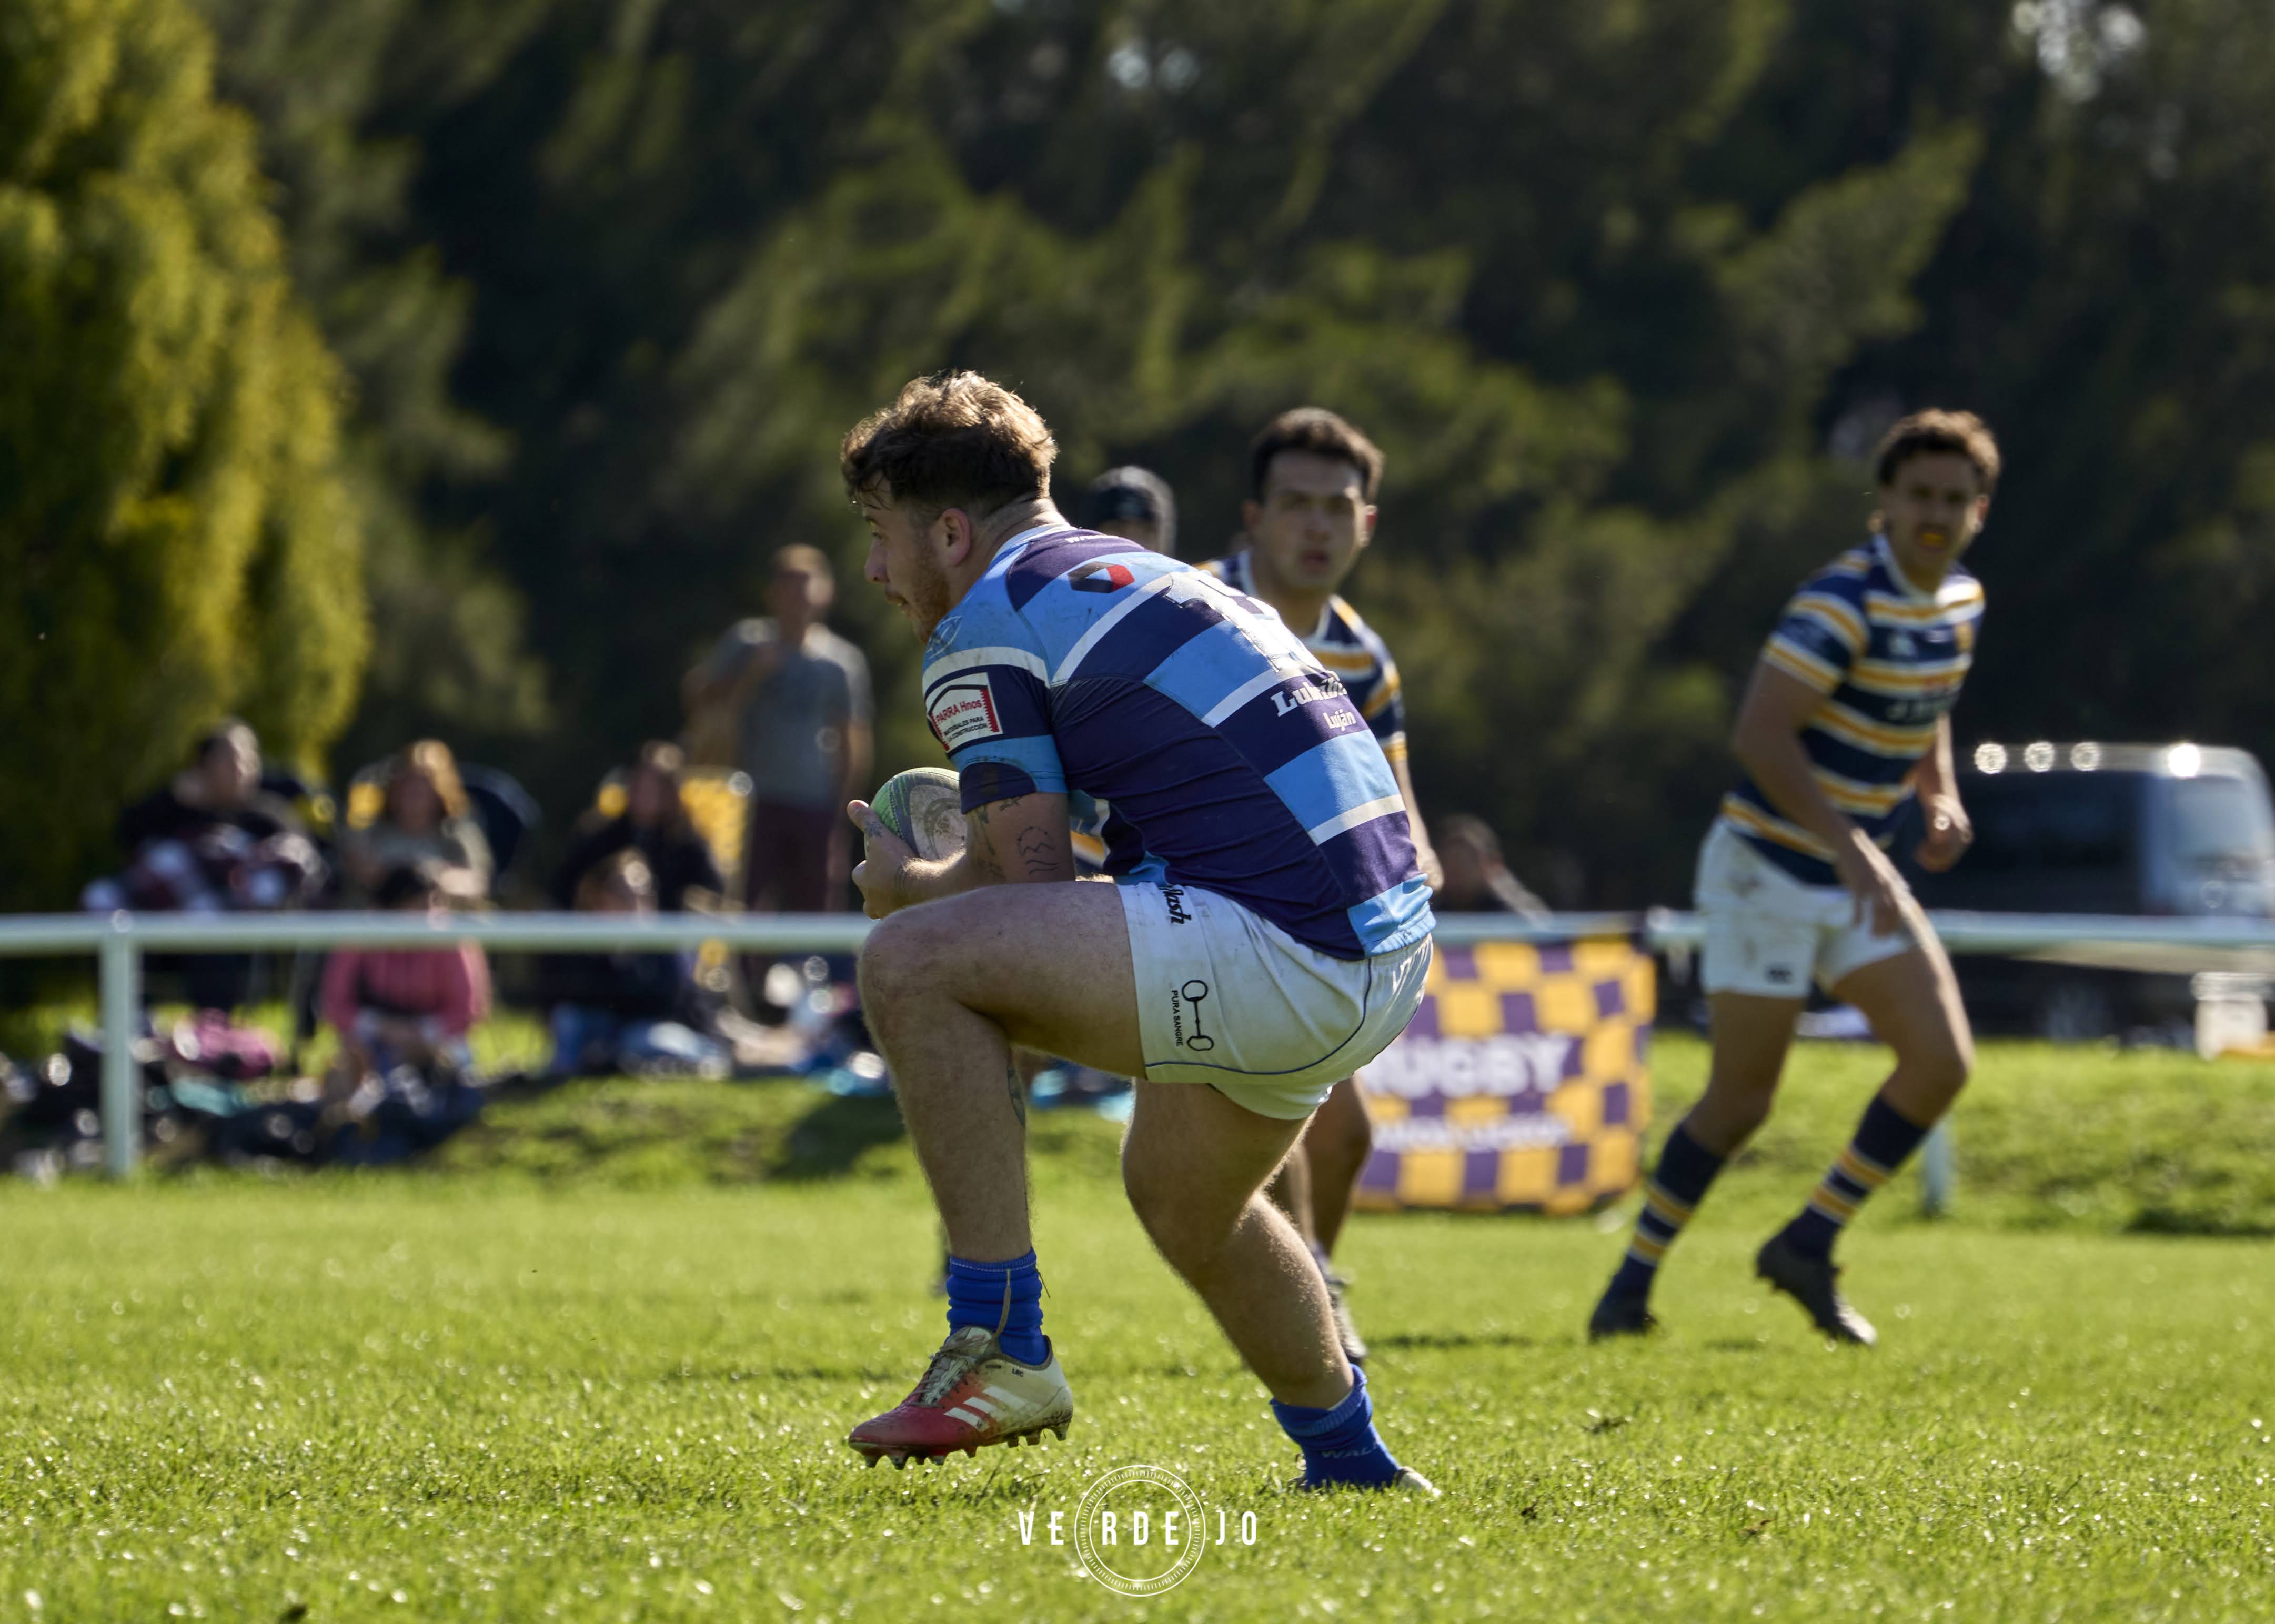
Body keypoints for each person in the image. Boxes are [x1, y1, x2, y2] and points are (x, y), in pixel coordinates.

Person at [838, 371, 1436, 1492]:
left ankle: (1000, 1344)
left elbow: (1025, 882)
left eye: (881, 535)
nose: (875, 569)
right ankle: (1353, 1462)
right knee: (1183, 1192)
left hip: (1281, 936)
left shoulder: (982, 621)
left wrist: (911, 892)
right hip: (1384, 944)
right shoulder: (1143, 572)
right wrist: (951, 879)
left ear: (952, 531)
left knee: (907, 967)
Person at [1589, 410, 1996, 1347]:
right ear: (1883, 504)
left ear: (1977, 510)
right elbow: (1759, 735)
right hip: (1764, 869)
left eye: (1953, 498)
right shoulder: (1837, 603)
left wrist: (1937, 797)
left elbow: (1926, 708)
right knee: (1741, 1100)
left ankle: (1807, 1239)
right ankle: (1629, 1281)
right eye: (1918, 496)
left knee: (1940, 1061)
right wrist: (1854, 848)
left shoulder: (1959, 603)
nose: (1934, 514)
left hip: (1855, 872)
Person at [1203, 407, 1441, 1365]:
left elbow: (1394, 800)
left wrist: (1414, 863)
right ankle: (979, 1292)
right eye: (1294, 505)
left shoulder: (1363, 656)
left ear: (1366, 525)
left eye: (1335, 508)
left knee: (1338, 1139)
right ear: (1252, 519)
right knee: (1295, 1134)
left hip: (1294, 924)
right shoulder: (1193, 609)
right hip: (1164, 902)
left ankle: (1312, 1290)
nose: (1315, 528)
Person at [683, 545, 873, 913]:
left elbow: (854, 742)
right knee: (742, 902)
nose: (796, 598)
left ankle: (811, 972)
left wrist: (840, 820)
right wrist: (750, 673)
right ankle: (746, 973)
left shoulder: (841, 663)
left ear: (825, 592)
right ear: (772, 593)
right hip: (748, 796)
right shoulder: (747, 641)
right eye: (787, 586)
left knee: (814, 906)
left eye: (805, 586)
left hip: (812, 799)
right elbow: (697, 700)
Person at [540, 851, 728, 1078]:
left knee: (645, 1037)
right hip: (602, 1031)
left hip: (648, 1032)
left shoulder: (665, 946)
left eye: (643, 892)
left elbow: (670, 1004)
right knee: (569, 1020)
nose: (635, 903)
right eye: (622, 893)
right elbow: (570, 997)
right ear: (598, 898)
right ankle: (560, 1078)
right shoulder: (581, 944)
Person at [320, 862, 492, 1087]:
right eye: (418, 905)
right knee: (345, 1068)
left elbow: (467, 1008)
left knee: (453, 1067)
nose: (428, 914)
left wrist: (423, 1034)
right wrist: (380, 1028)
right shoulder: (360, 935)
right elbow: (335, 1003)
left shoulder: (451, 938)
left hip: (436, 1037)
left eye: (432, 903)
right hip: (372, 1038)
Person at [551, 742, 724, 912]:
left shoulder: (689, 851)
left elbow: (711, 899)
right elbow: (565, 890)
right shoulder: (597, 839)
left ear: (670, 794)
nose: (640, 793)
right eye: (637, 783)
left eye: (651, 788)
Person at [340, 741, 493, 906]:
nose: (414, 796)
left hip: (442, 920)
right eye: (407, 786)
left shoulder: (456, 834)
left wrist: (436, 878)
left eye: (423, 788)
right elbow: (356, 874)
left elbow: (480, 882)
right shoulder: (372, 833)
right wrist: (392, 879)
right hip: (381, 920)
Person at [1433, 815, 1551, 917]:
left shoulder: (1514, 909)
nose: (1456, 869)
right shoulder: (1429, 908)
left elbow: (1542, 934)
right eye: (1449, 859)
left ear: (1493, 865)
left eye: (1466, 860)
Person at [1075, 466, 1178, 556]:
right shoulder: (1063, 578)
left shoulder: (1188, 577)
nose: (1133, 542)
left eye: (1145, 531)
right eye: (1118, 529)